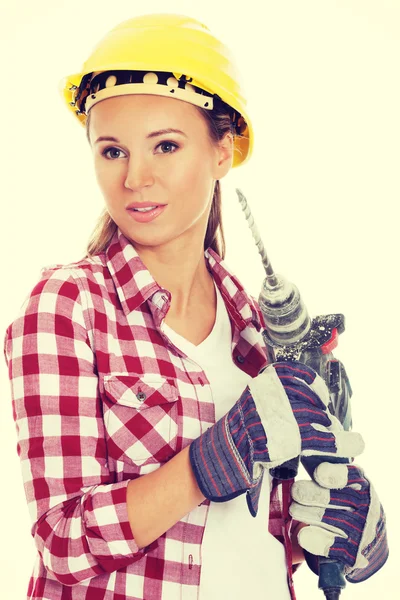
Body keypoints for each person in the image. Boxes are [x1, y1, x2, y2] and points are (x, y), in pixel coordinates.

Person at [3, 13, 388, 600]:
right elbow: (62, 542)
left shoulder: (257, 332)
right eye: (112, 151)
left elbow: (269, 530)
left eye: (165, 145)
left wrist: (348, 530)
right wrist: (206, 465)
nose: (136, 177)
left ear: (222, 152)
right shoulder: (67, 307)